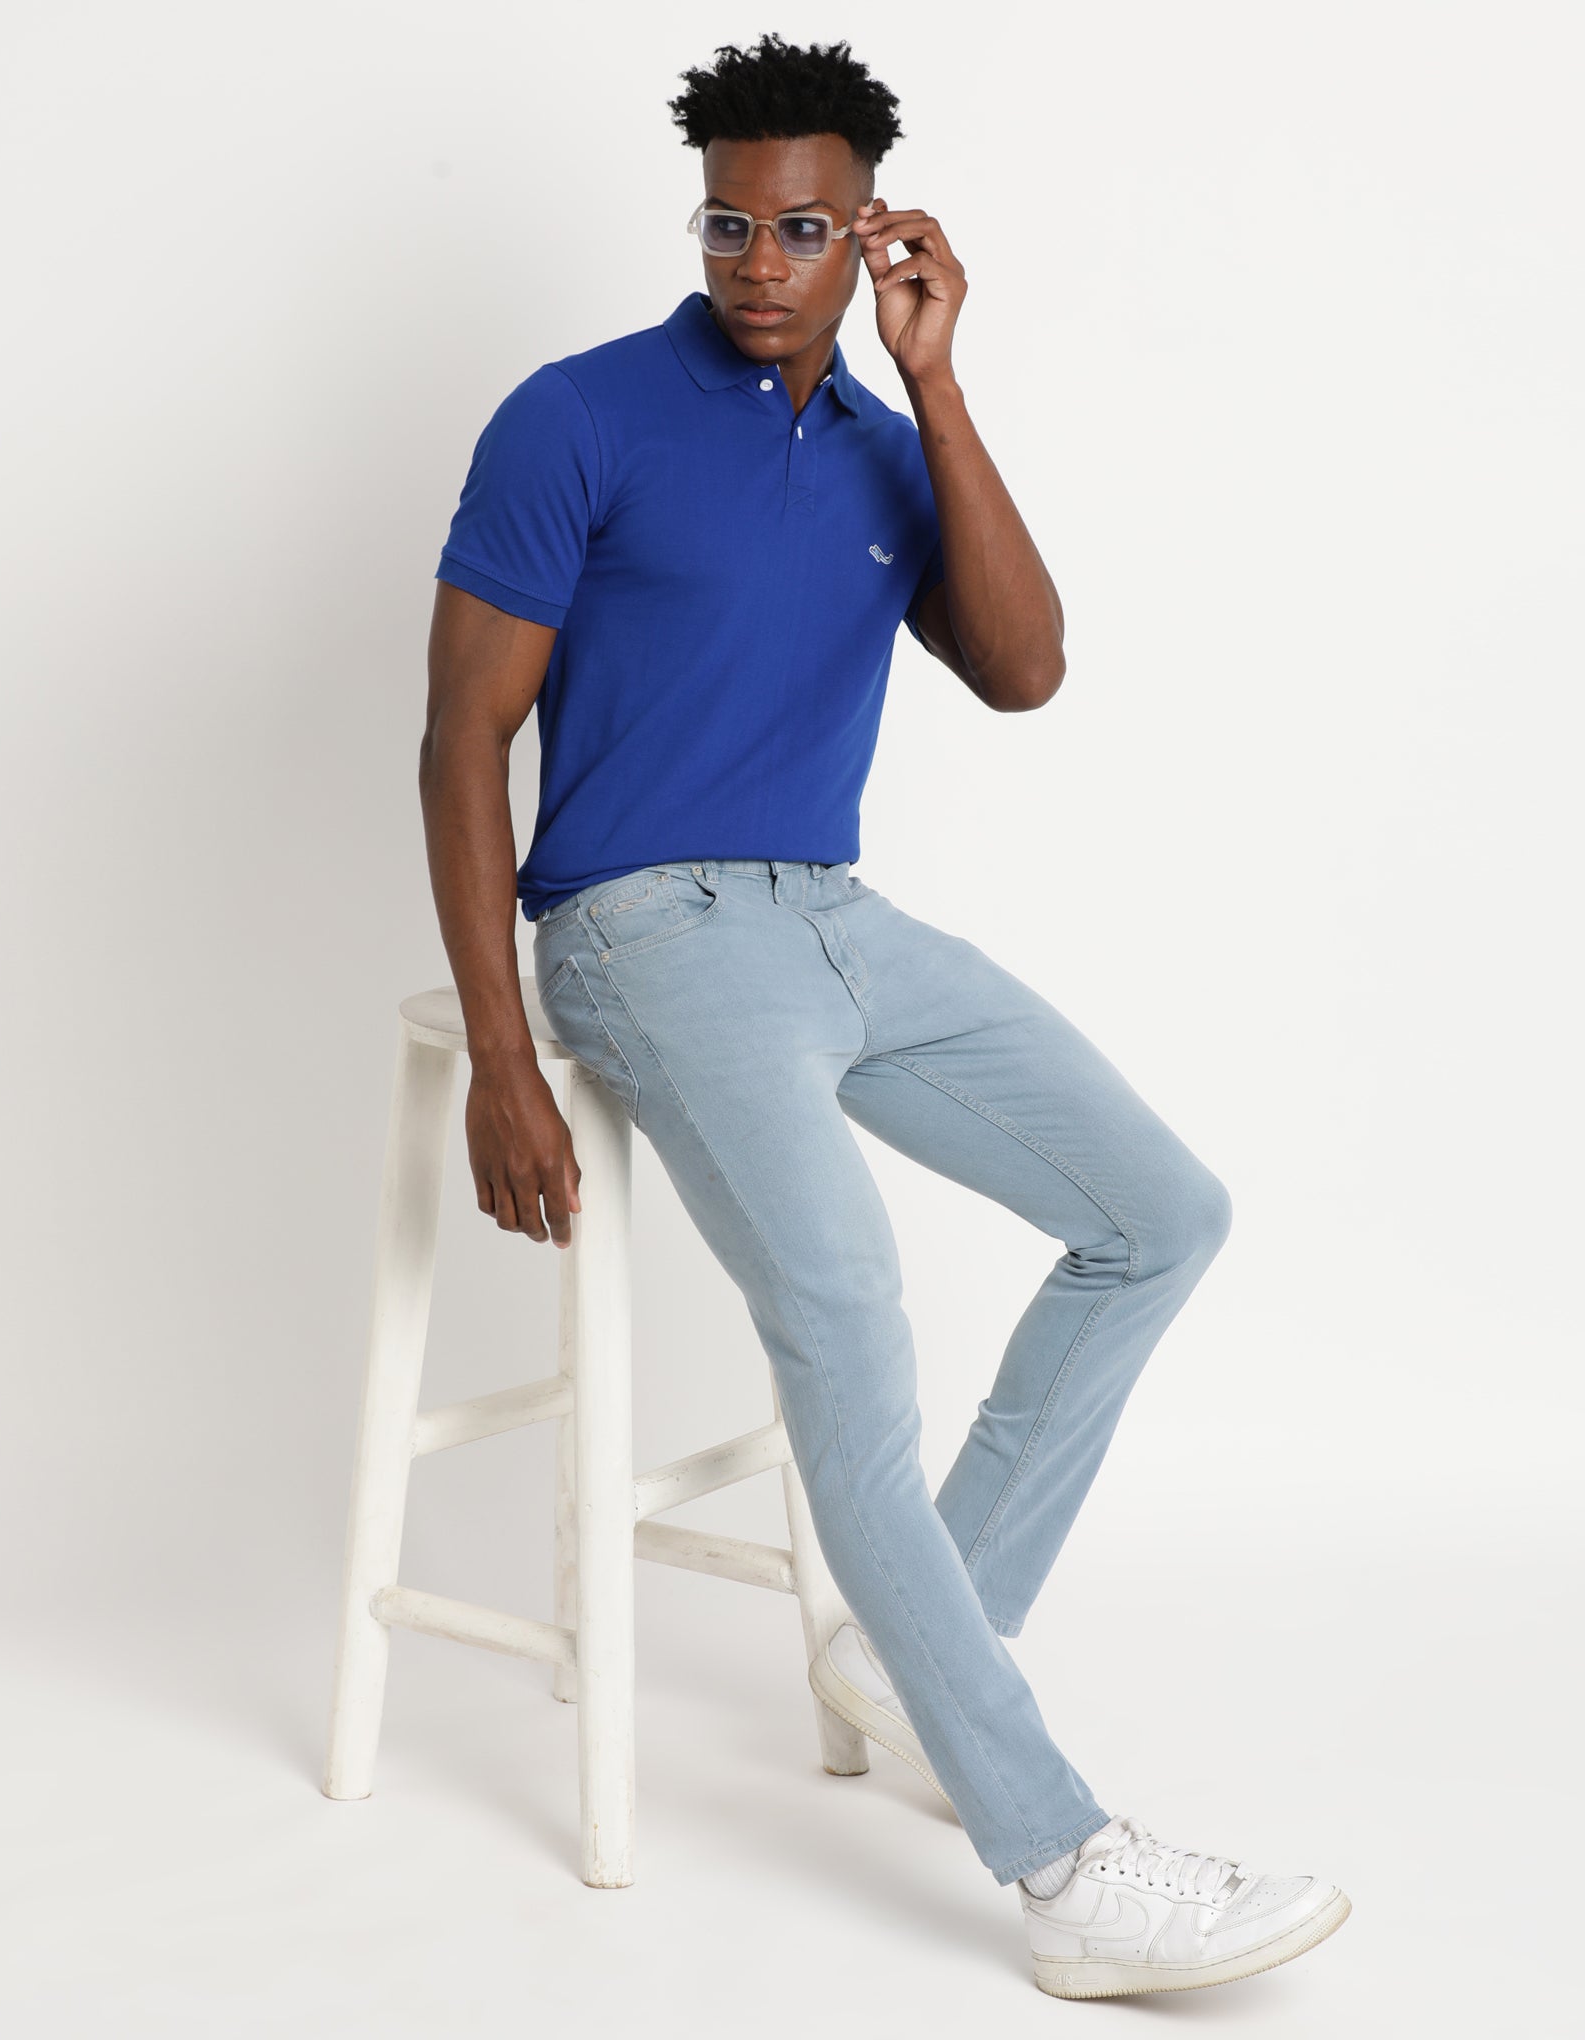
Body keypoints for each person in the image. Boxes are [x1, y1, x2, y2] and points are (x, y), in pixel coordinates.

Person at [418, 30, 1350, 2000]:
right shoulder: (572, 419)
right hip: (641, 927)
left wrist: (937, 381)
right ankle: (1067, 1864)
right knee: (846, 1320)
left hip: (837, 920)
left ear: (876, 236)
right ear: (704, 225)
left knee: (1161, 1212)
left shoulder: (879, 444)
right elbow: (458, 742)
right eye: (733, 223)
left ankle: (911, 1639)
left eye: (808, 227)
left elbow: (1023, 669)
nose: (763, 259)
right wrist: (505, 1054)